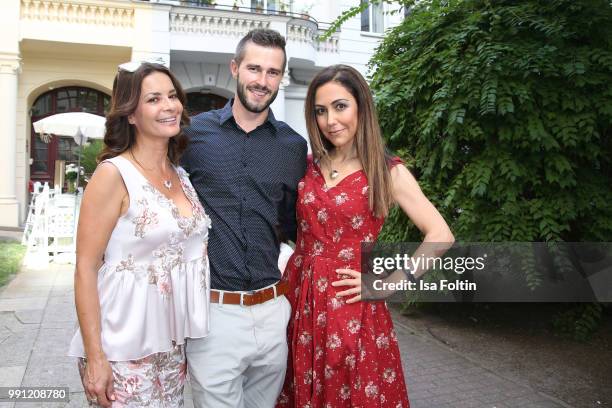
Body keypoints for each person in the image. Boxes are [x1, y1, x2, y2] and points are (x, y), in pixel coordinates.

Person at [276, 64, 455, 407]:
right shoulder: (309, 164)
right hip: (299, 301)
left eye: (340, 106)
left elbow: (441, 234)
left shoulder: (387, 171)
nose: (331, 120)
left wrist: (388, 283)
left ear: (361, 106)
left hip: (351, 306)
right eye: (321, 111)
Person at [68, 62, 211, 407]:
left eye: (173, 96)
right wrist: (96, 357)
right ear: (130, 114)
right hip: (121, 347)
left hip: (171, 347)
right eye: (154, 99)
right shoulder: (113, 175)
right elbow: (85, 268)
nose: (169, 106)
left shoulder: (181, 175)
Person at [182, 29, 308, 407]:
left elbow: (292, 226)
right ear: (235, 68)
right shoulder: (193, 135)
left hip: (272, 313)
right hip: (214, 314)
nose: (262, 80)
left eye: (273, 72)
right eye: (254, 68)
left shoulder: (293, 147)